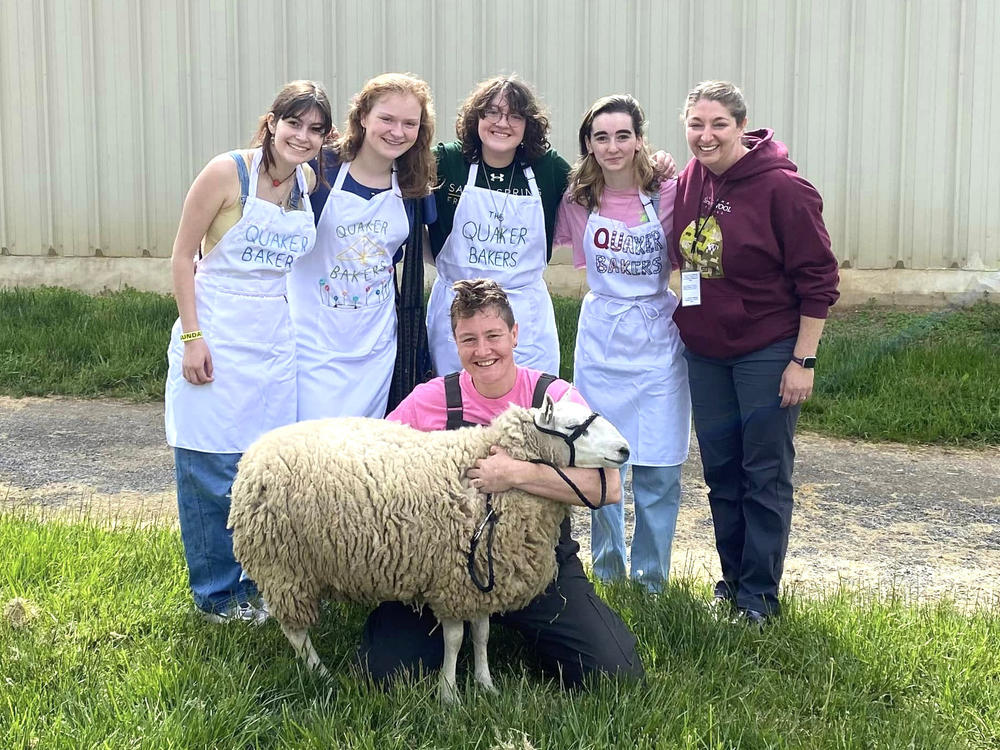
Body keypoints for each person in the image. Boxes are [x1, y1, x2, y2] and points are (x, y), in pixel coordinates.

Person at [359, 278, 644, 688]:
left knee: (615, 673)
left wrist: (517, 474)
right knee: (385, 672)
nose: (482, 350)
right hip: (445, 569)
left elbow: (608, 488)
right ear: (456, 343)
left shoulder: (554, 397)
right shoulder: (430, 399)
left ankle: (530, 631)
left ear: (514, 334)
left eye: (493, 335)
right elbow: (375, 461)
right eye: (468, 339)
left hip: (535, 563)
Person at [671, 81, 840, 624]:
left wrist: (803, 359)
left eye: (718, 124)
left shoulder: (784, 190)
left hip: (767, 350)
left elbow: (820, 280)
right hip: (706, 352)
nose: (706, 135)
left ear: (741, 126)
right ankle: (734, 581)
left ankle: (760, 597)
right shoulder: (690, 179)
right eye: (696, 124)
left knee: (763, 472)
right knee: (722, 470)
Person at [165, 81, 333, 622]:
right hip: (215, 328)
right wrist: (193, 337)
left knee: (262, 468)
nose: (302, 137)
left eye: (314, 129)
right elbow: (181, 258)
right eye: (294, 124)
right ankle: (215, 596)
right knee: (209, 464)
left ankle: (257, 585)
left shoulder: (305, 181)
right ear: (272, 121)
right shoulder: (226, 172)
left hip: (272, 337)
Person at [554, 95, 690, 593]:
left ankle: (651, 583)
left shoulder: (670, 191)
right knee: (600, 460)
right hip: (602, 340)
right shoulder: (577, 200)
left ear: (640, 139)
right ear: (588, 144)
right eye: (601, 137)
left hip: (656, 338)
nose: (613, 147)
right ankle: (608, 577)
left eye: (623, 135)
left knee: (658, 467)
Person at [289, 73, 438, 420]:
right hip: (313, 345)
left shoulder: (414, 185)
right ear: (362, 117)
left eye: (409, 123)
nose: (397, 131)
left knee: (361, 456)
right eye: (386, 118)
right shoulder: (319, 170)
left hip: (376, 348)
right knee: (312, 450)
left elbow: (419, 251)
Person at [425, 75, 567, 377]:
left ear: (528, 125)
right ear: (476, 116)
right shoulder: (448, 161)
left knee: (529, 409)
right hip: (458, 310)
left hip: (524, 316)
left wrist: (655, 165)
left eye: (515, 116)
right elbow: (392, 164)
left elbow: (602, 180)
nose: (502, 123)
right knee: (458, 408)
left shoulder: (547, 168)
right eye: (492, 112)